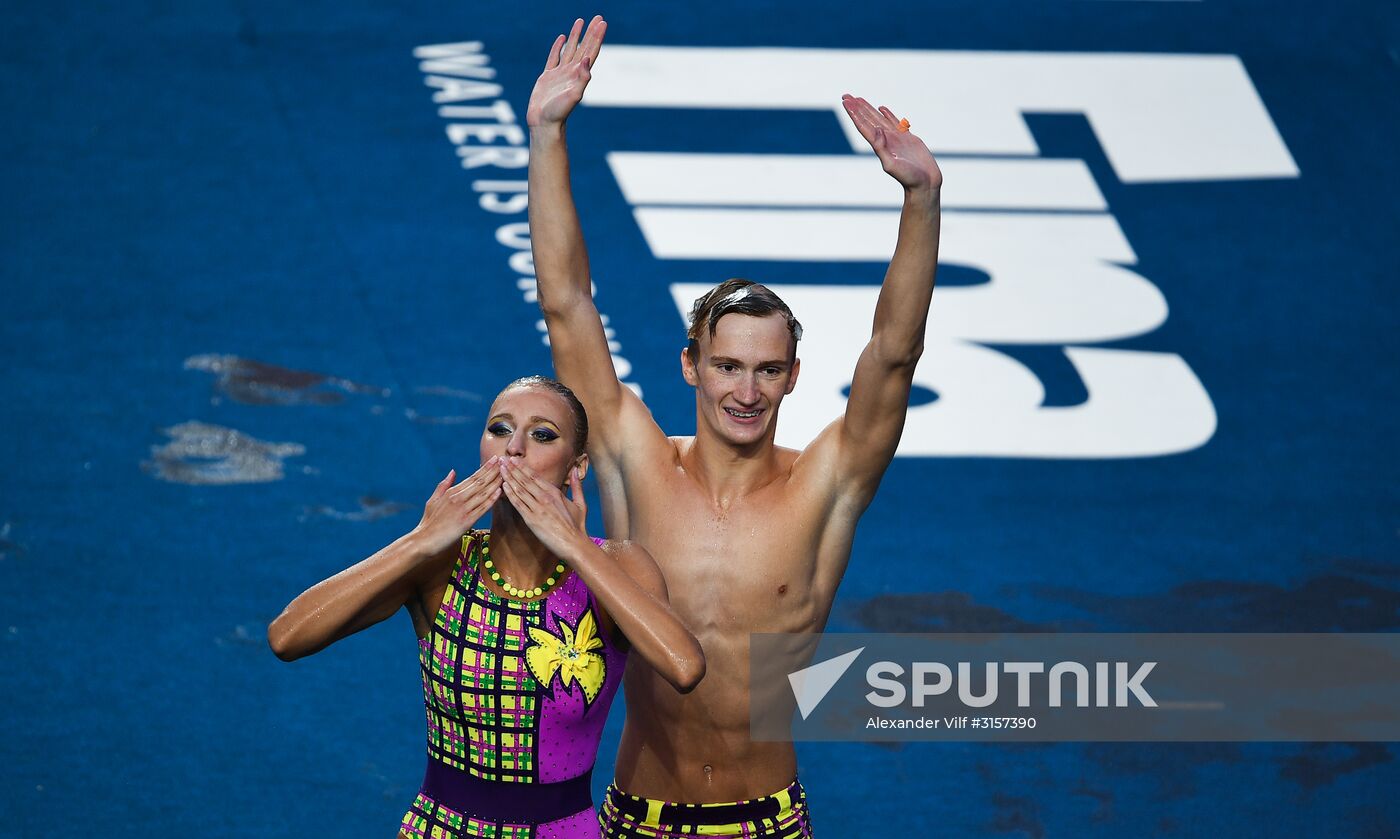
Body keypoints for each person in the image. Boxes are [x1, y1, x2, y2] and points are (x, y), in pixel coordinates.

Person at [527, 16, 943, 838]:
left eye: (765, 369)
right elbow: (566, 303)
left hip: (766, 823)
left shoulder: (825, 481)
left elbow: (894, 354)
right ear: (691, 366)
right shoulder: (633, 459)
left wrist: (921, 199)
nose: (745, 390)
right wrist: (546, 136)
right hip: (636, 817)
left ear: (791, 376)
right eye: (727, 365)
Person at [268, 375, 705, 839]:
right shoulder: (439, 566)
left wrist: (578, 549)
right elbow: (287, 636)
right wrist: (417, 542)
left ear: (576, 467)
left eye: (542, 435)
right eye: (499, 429)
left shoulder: (617, 567)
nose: (514, 448)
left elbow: (684, 667)